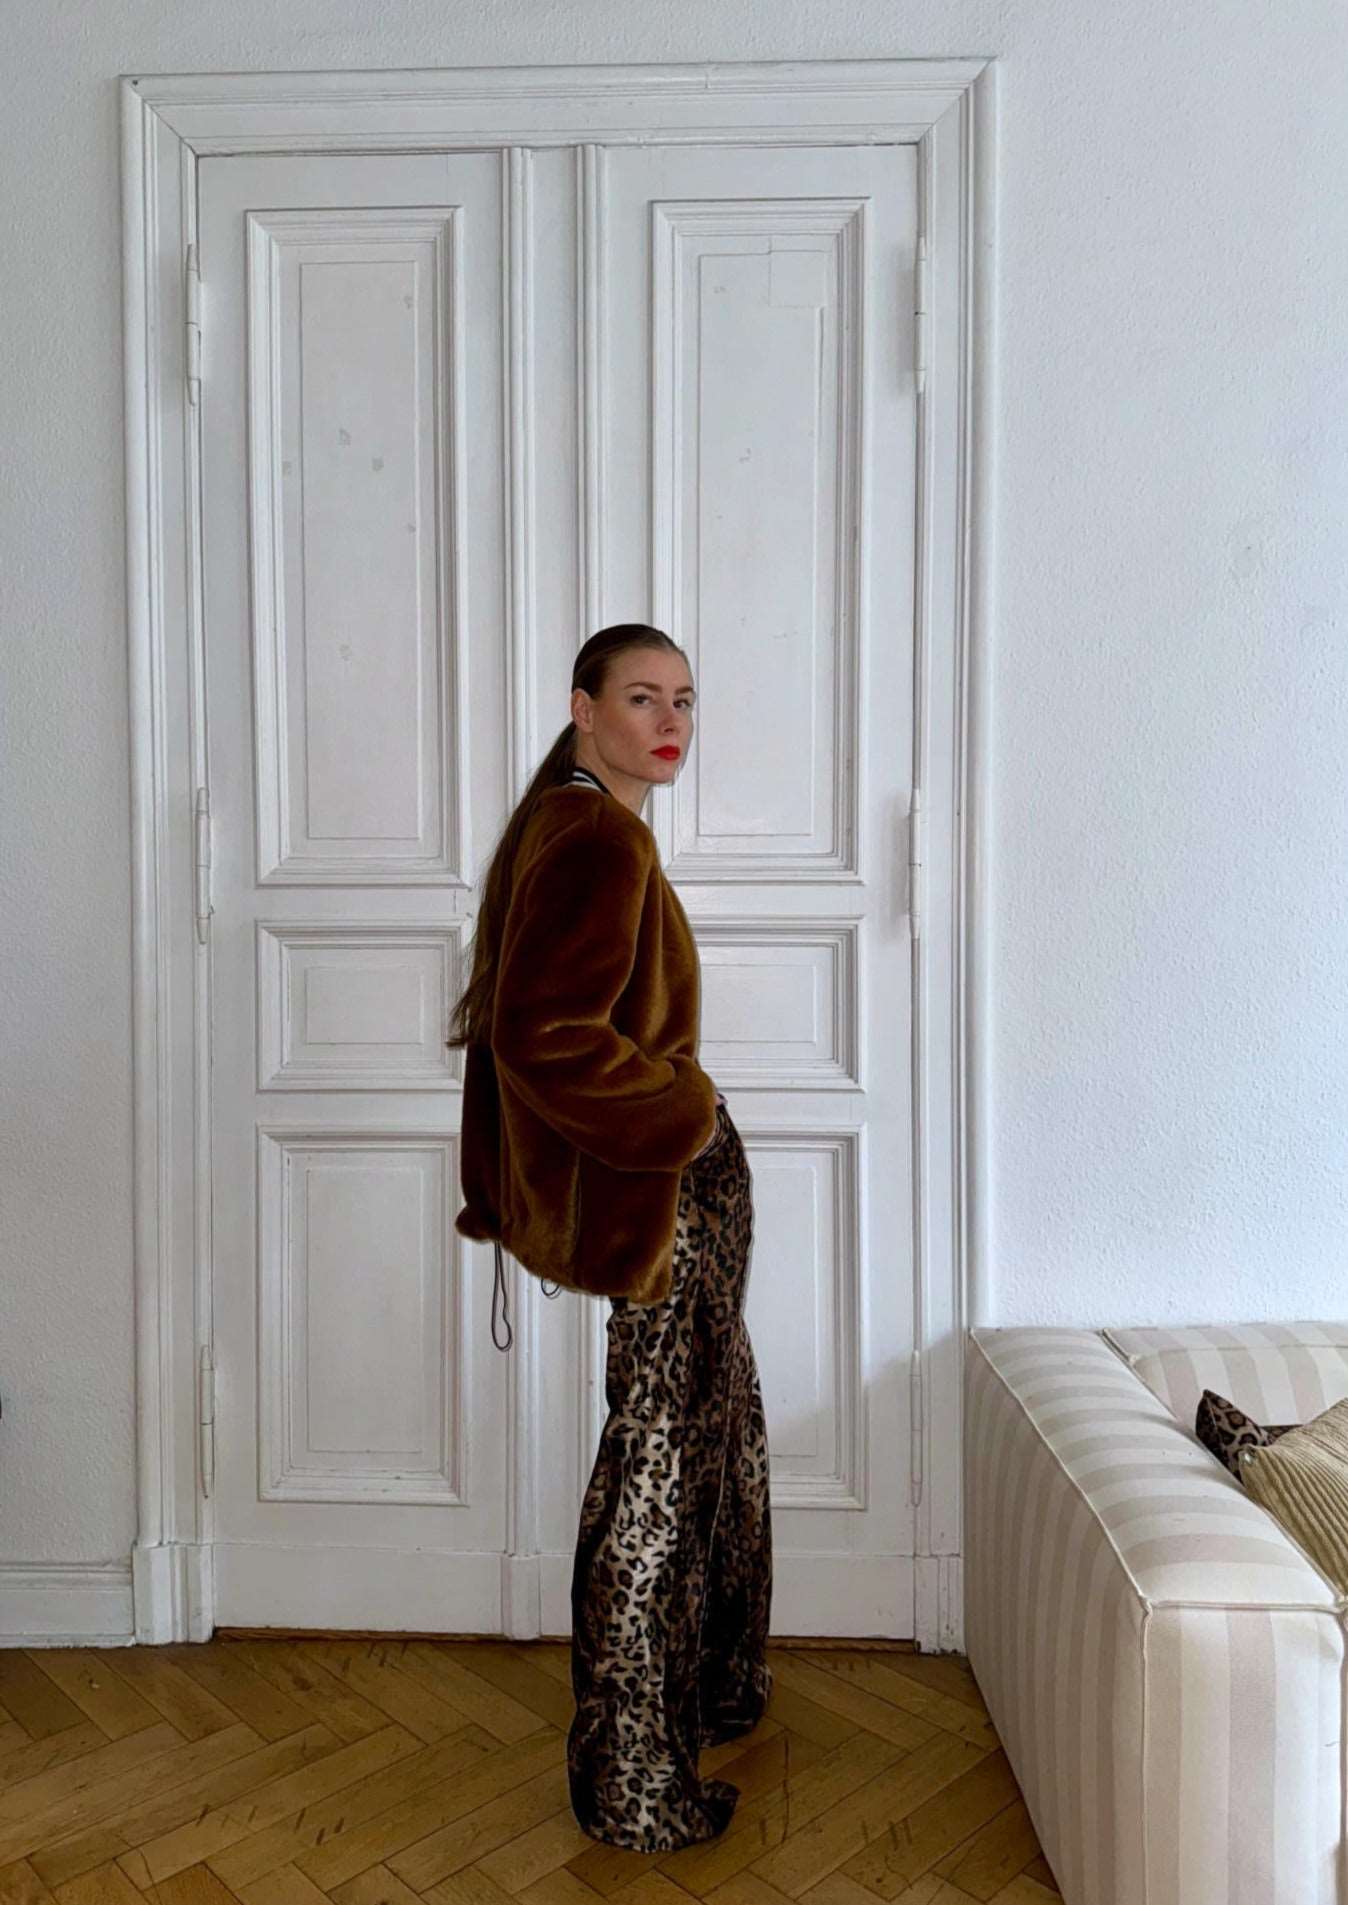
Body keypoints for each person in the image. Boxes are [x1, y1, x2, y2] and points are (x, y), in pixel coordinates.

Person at [446, 623, 773, 1850]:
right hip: (661, 1203)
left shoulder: (582, 822)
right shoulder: (593, 836)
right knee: (656, 1470)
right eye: (642, 697)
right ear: (582, 707)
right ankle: (633, 1783)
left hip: (663, 1197)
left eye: (683, 699)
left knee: (697, 1437)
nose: (669, 721)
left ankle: (696, 1706)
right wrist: (684, 1114)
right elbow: (543, 1036)